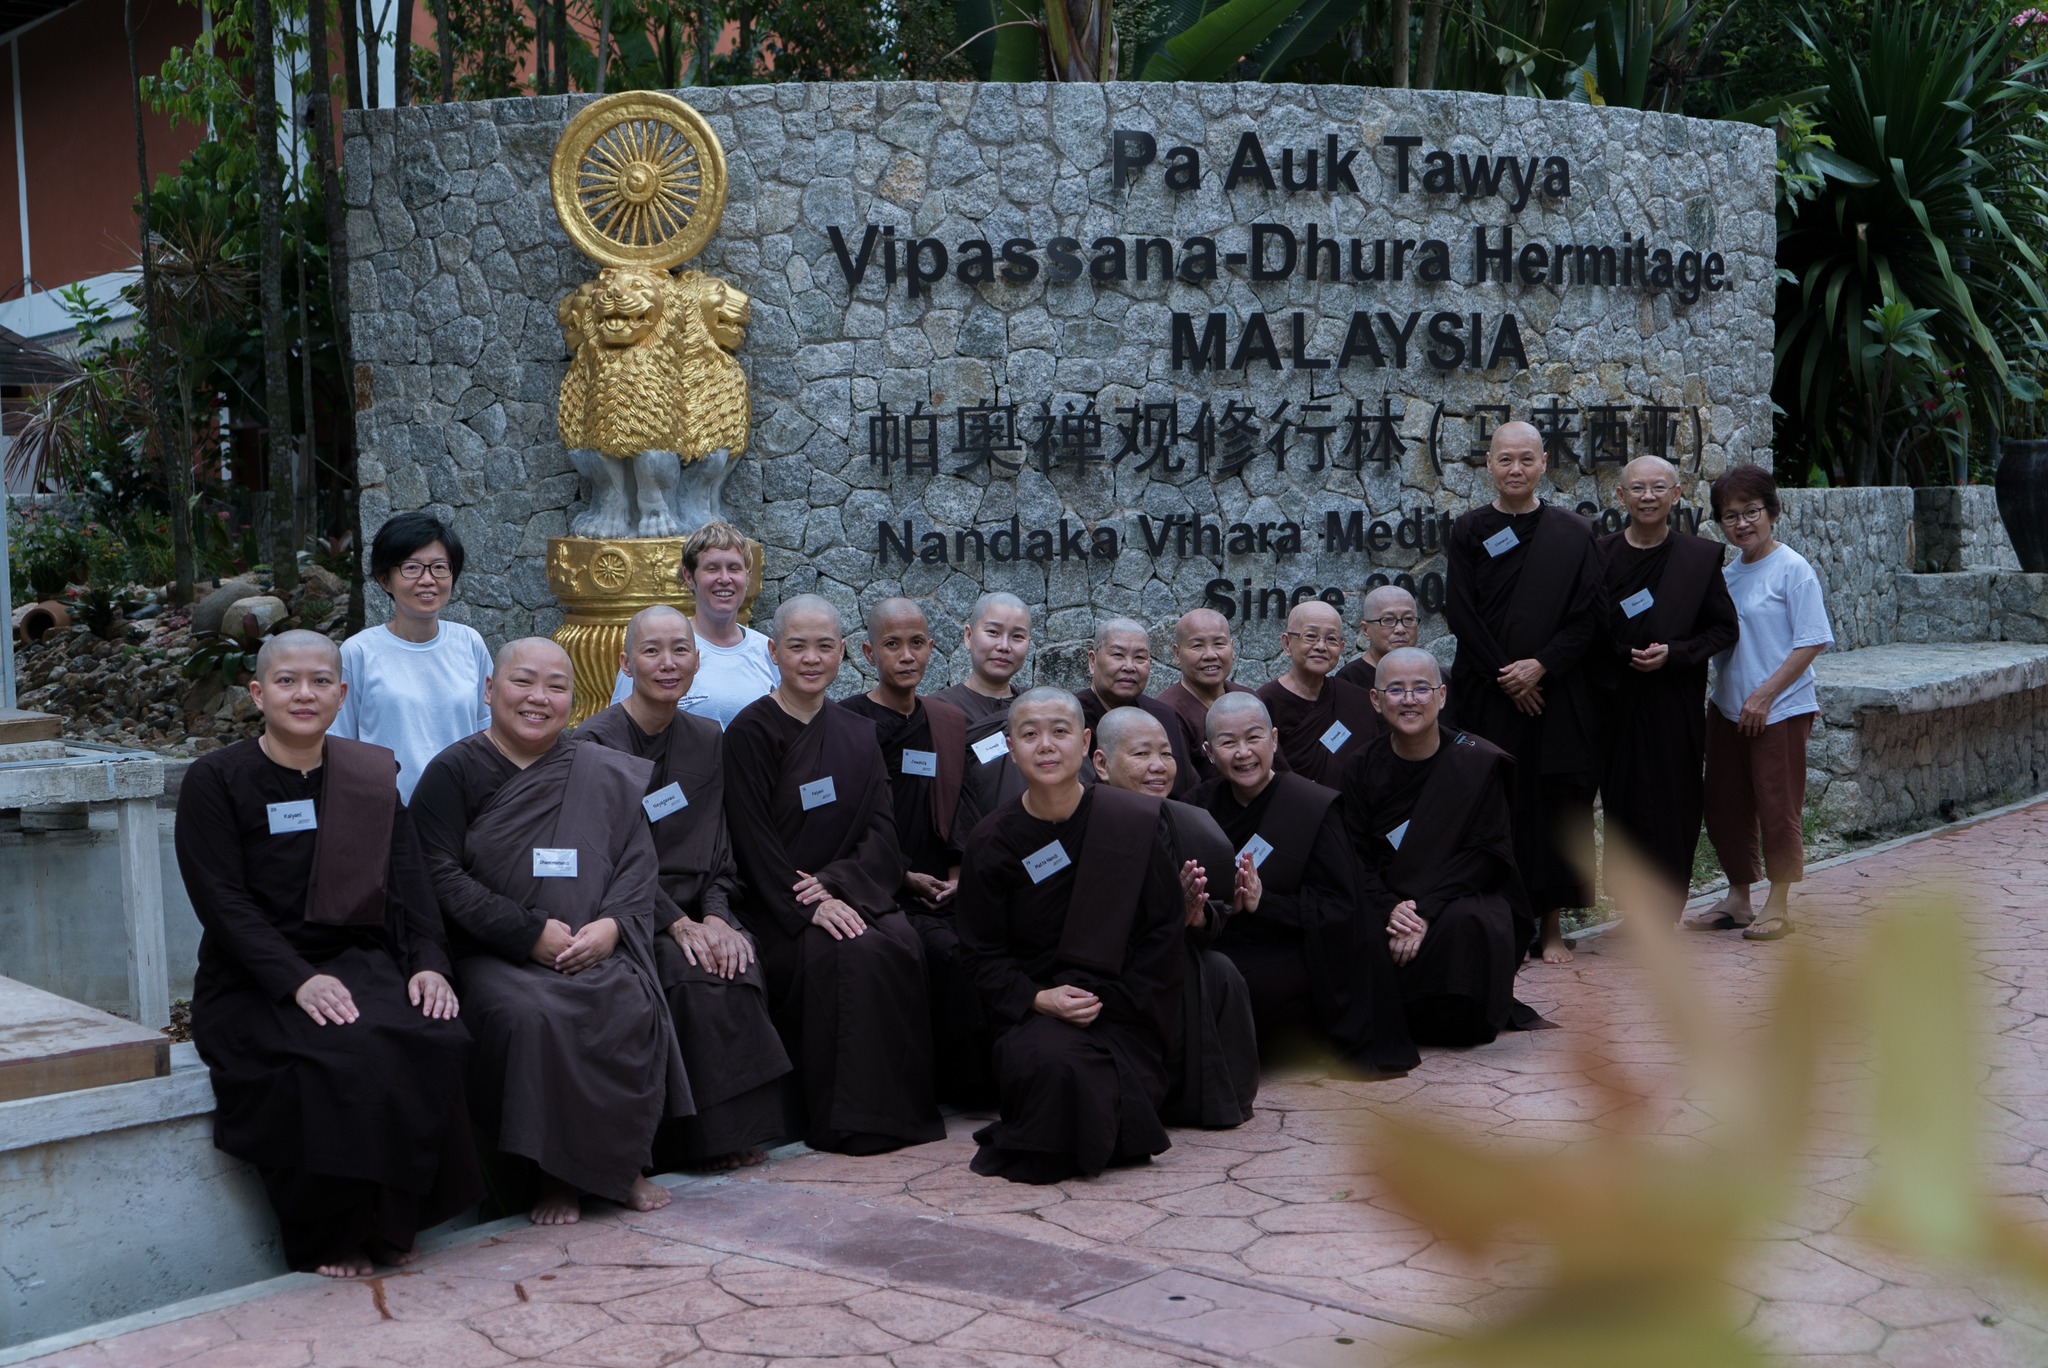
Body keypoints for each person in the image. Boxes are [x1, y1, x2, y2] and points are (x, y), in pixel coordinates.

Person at [177, 630, 480, 1278]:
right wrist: (296, 981)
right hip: (254, 978)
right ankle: (333, 1236)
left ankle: (396, 1222)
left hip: (356, 958)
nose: (304, 693)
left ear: (342, 693)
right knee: (340, 1055)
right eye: (287, 681)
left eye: (320, 681)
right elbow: (222, 902)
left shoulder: (368, 776)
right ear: (258, 692)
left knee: (435, 1033)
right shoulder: (216, 780)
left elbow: (410, 886)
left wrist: (429, 961)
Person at [411, 638, 690, 1225]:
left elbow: (637, 862)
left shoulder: (598, 769)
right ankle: (555, 1174)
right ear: (489, 690)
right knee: (531, 1015)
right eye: (523, 682)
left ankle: (624, 1165)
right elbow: (436, 873)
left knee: (629, 1000)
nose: (538, 698)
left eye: (556, 687)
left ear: (575, 698)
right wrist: (527, 933)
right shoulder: (453, 771)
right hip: (496, 953)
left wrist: (613, 927)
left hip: (591, 942)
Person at [722, 595, 946, 1153]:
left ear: (844, 653)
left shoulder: (855, 731)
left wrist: (841, 884)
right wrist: (811, 903)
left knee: (900, 943)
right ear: (774, 652)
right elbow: (751, 838)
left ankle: (901, 1113)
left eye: (825, 646)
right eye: (797, 646)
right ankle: (845, 1120)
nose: (811, 658)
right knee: (845, 953)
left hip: (852, 891)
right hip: (781, 907)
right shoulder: (749, 732)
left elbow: (881, 829)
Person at [576, 605, 793, 1170]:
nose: (667, 663)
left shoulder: (706, 737)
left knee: (736, 960)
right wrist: (677, 922)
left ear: (698, 660)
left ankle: (741, 1130)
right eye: (652, 651)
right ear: (626, 662)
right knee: (688, 976)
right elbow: (610, 859)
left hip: (702, 905)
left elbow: (721, 843)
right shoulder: (595, 742)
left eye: (679, 650)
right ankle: (692, 1142)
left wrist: (718, 916)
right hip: (630, 910)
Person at [955, 688, 1185, 1183]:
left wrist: (1114, 1000)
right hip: (1033, 1010)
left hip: (1125, 1008)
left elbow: (1162, 932)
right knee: (1050, 1061)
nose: (1045, 746)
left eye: (1059, 732)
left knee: (1082, 1068)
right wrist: (1039, 999)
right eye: (1029, 734)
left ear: (1084, 744)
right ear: (1011, 748)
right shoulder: (991, 842)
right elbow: (980, 954)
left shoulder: (1131, 821)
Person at [1444, 421, 1603, 964]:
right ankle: (1498, 920)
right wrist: (1507, 678)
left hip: (1554, 697)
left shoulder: (1573, 533)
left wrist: (1540, 667)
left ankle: (1552, 925)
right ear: (1488, 464)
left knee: (1556, 805)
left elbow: (1589, 616)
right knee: (1492, 802)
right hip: (1488, 695)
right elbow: (1461, 612)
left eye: (1526, 460)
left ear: (1543, 465)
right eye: (1505, 460)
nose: (1516, 470)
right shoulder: (1468, 530)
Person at [1194, 693, 1418, 1075]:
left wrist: (1266, 903)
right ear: (1209, 750)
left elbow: (1341, 909)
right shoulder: (1198, 806)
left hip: (1299, 945)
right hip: (1224, 938)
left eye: (1254, 738)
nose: (1244, 753)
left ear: (1275, 739)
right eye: (1228, 743)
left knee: (1257, 986)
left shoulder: (1311, 807)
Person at [1342, 648, 1547, 1046]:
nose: (1410, 700)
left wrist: (1423, 911)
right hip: (1387, 891)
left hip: (1457, 888)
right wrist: (1390, 907)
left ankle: (1457, 1016)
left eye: (1421, 688)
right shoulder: (1360, 767)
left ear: (1442, 696)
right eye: (1396, 690)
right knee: (1349, 924)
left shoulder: (1477, 761)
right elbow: (1355, 853)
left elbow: (1486, 853)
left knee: (1474, 923)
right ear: (1375, 699)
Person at [839, 597, 991, 1106]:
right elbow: (846, 823)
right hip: (877, 886)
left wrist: (957, 872)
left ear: (932, 647)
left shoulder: (945, 721)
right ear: (866, 652)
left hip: (942, 885)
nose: (907, 656)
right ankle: (961, 1088)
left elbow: (964, 804)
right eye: (892, 644)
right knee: (943, 955)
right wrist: (901, 876)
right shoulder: (849, 724)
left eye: (917, 643)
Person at [1093, 706, 1259, 1129]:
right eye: (1141, 754)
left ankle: (1214, 1098)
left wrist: (1197, 918)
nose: (1157, 767)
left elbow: (1214, 914)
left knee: (1221, 970)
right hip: (1108, 971)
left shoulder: (1189, 822)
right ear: (1101, 764)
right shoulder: (1086, 824)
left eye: (1166, 755)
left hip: (1174, 959)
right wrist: (1166, 922)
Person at [1595, 457, 1740, 919]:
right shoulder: (1600, 555)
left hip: (1674, 701)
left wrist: (1675, 654)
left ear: (1677, 495)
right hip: (1616, 699)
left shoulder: (1697, 558)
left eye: (1659, 487)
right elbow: (1586, 626)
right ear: (1621, 498)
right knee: (1623, 800)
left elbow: (1723, 630)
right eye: (1637, 489)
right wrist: (1618, 656)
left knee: (1675, 798)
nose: (1648, 497)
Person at [1698, 467, 1834, 942]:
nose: (1742, 524)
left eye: (1751, 512)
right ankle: (1739, 897)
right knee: (1723, 804)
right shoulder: (1727, 575)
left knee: (1778, 806)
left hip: (1780, 709)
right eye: (1730, 516)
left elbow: (1812, 640)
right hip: (1729, 707)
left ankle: (1779, 903)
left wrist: (1766, 693)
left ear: (1771, 513)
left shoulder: (1793, 569)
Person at [331, 512, 492, 802]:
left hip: (461, 808)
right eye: (412, 568)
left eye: (439, 567)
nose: (427, 580)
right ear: (384, 579)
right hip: (387, 810)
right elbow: (340, 742)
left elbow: (489, 729)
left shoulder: (469, 643)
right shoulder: (359, 652)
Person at [607, 521, 778, 727]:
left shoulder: (767, 652)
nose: (724, 579)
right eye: (712, 568)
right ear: (689, 576)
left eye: (734, 568)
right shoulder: (652, 650)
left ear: (747, 577)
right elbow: (620, 730)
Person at [932, 592, 1033, 828]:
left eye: (1017, 636)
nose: (1004, 646)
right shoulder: (939, 710)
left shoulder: (1037, 707)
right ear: (968, 636)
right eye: (993, 632)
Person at [1255, 600, 1382, 787]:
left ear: (1341, 646)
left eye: (1331, 639)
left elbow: (1373, 762)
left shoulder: (1356, 699)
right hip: (1290, 807)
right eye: (1311, 636)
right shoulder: (1266, 702)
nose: (1321, 646)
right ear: (1287, 643)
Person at [1075, 618, 1198, 799]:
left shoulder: (1163, 716)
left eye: (1140, 658)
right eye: (1118, 655)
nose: (1129, 667)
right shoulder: (1072, 719)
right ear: (1092, 661)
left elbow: (1187, 789)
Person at [1157, 609, 1250, 783]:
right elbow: (1182, 786)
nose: (1210, 655)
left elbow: (1274, 766)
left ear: (1232, 648)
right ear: (1177, 654)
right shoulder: (1166, 712)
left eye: (1219, 644)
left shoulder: (1248, 698)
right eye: (1197, 645)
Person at [1334, 585, 1421, 690]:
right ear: (1366, 629)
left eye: (1408, 619)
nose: (1400, 629)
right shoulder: (1349, 680)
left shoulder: (1428, 673)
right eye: (1388, 620)